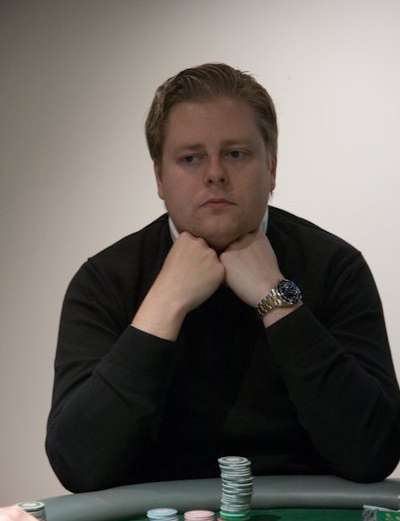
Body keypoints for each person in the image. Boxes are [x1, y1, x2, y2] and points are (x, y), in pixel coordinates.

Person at [46, 63, 400, 493]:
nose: (214, 173)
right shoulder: (104, 281)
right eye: (190, 158)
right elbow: (79, 465)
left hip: (309, 510)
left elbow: (373, 452)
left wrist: (276, 298)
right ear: (159, 178)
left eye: (235, 153)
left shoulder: (336, 267)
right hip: (153, 519)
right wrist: (164, 304)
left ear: (271, 167)